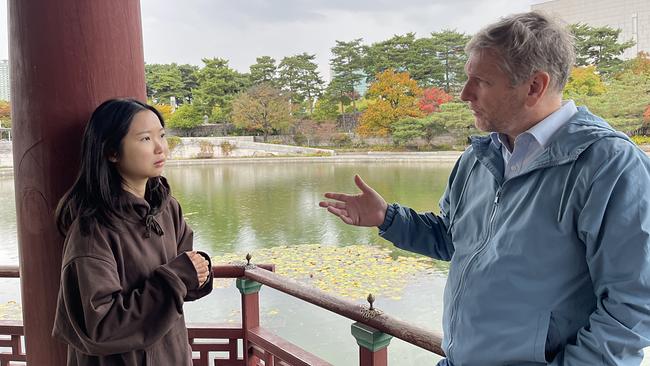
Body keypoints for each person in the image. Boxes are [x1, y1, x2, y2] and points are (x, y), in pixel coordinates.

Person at [320, 11, 650, 366]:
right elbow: (454, 239)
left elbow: (633, 307)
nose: (464, 94)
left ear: (534, 86)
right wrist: (388, 218)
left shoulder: (609, 165)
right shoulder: (479, 156)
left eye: (481, 81)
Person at [52, 98, 213, 365]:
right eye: (145, 139)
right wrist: (177, 276)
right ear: (112, 152)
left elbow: (186, 272)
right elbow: (101, 326)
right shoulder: (93, 231)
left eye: (161, 135)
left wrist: (197, 272)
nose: (161, 147)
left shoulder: (166, 207)